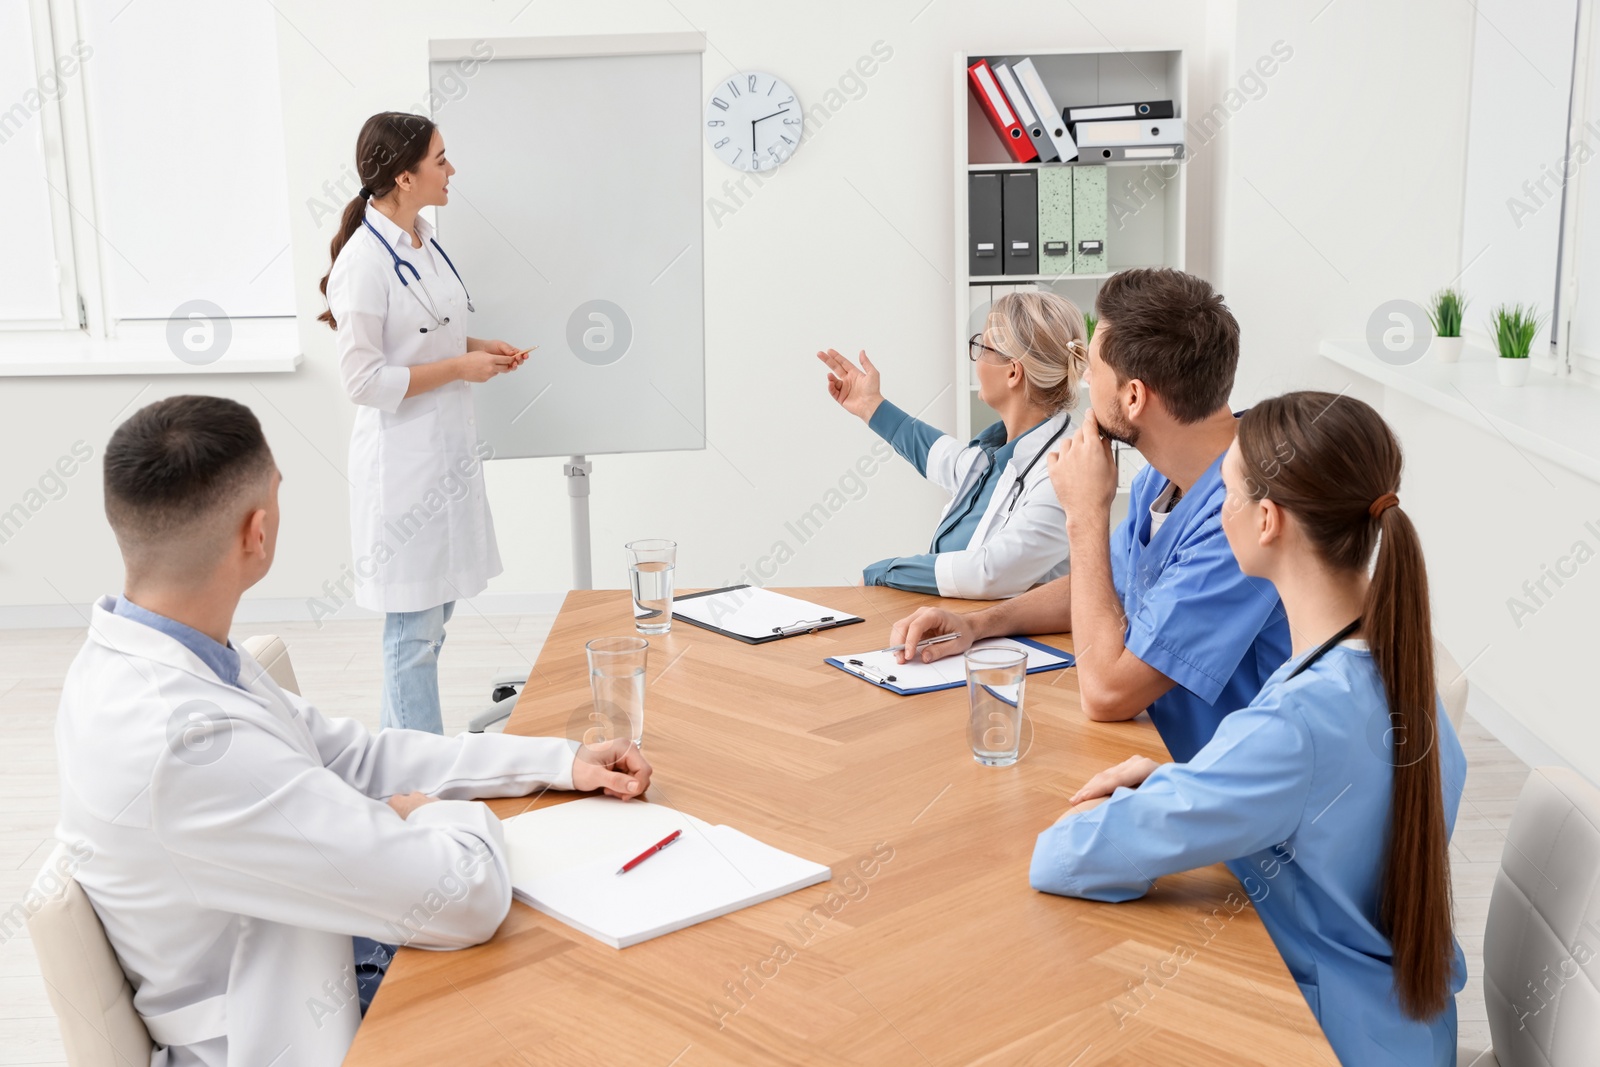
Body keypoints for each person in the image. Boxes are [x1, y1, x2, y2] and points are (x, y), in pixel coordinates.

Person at [54, 395, 650, 1067]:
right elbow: (465, 896)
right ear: (258, 532)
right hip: (292, 1024)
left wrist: (558, 760)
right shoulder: (187, 742)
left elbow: (358, 755)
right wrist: (427, 811)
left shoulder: (160, 652)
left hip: (309, 943)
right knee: (602, 990)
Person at [1030, 391, 1467, 1066]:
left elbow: (1061, 858)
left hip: (1327, 1039)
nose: (1214, 512)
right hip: (1405, 1031)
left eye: (1224, 493)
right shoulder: (1395, 675)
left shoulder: (1295, 724)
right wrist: (1184, 782)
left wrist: (1145, 804)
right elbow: (1311, 813)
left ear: (1267, 520)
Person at [890, 269, 1290, 762]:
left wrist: (1084, 514)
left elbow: (1106, 694)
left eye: (1093, 368)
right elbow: (1110, 584)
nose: (1081, 378)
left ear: (1133, 397)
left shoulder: (1244, 516)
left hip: (1224, 794)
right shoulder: (1160, 480)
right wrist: (980, 625)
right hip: (1146, 753)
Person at [319, 111, 531, 734]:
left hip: (442, 457)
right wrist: (461, 368)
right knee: (411, 633)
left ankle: (396, 764)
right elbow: (362, 381)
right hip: (403, 468)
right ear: (404, 177)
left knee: (430, 627)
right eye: (440, 160)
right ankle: (421, 778)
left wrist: (482, 348)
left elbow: (434, 330)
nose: (451, 170)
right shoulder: (363, 262)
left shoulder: (421, 241)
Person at [816, 291, 1089, 599]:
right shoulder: (997, 455)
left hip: (1017, 643)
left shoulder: (1065, 469)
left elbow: (990, 572)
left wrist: (885, 573)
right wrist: (871, 405)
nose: (976, 359)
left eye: (982, 347)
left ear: (1013, 372)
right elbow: (936, 452)